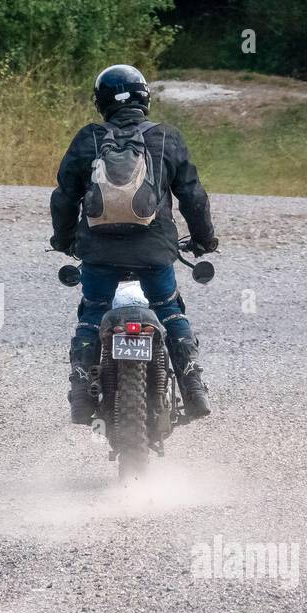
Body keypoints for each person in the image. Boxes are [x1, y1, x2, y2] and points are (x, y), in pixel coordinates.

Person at [50, 64, 219, 424]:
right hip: (155, 252)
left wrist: (64, 240)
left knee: (94, 312)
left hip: (99, 252)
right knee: (170, 311)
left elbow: (64, 197)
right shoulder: (166, 138)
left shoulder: (88, 138)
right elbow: (193, 196)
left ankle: (82, 388)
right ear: (145, 99)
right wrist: (204, 240)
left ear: (101, 103)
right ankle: (193, 385)